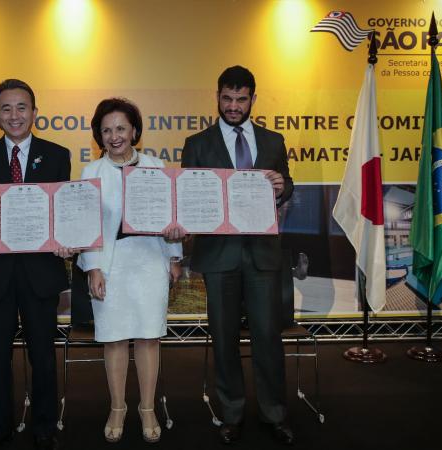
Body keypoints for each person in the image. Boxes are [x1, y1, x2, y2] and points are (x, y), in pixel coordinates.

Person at [172, 66, 295, 445]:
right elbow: (188, 195)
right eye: (227, 98)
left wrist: (281, 185)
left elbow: (286, 185)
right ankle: (232, 412)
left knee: (267, 338)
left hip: (261, 253)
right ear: (217, 96)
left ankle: (274, 413)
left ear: (253, 99)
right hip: (219, 255)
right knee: (223, 339)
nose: (233, 106)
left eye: (241, 99)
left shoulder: (273, 141)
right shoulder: (197, 143)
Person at [0, 79, 73, 450]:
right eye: (6, 108)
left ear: (35, 113)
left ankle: (44, 426)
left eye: (21, 107)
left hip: (41, 273)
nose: (14, 115)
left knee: (42, 355)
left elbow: (63, 213)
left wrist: (66, 242)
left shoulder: (57, 155)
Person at [77, 98, 182, 444]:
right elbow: (86, 226)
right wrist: (93, 267)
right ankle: (118, 407)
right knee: (115, 338)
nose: (114, 136)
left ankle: (148, 407)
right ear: (99, 136)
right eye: (106, 130)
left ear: (134, 130)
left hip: (150, 261)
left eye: (121, 128)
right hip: (110, 265)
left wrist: (175, 257)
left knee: (149, 337)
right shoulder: (90, 173)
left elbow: (171, 217)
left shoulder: (156, 165)